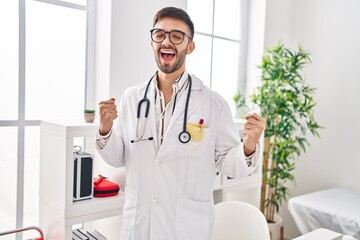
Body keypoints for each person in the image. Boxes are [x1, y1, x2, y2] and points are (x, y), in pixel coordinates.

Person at [96, 6, 266, 240]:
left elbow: (229, 165)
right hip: (139, 226)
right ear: (152, 42)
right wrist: (105, 129)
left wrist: (248, 145)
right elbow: (117, 157)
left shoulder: (212, 103)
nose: (166, 41)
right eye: (159, 34)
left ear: (190, 46)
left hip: (186, 229)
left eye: (176, 36)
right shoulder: (132, 97)